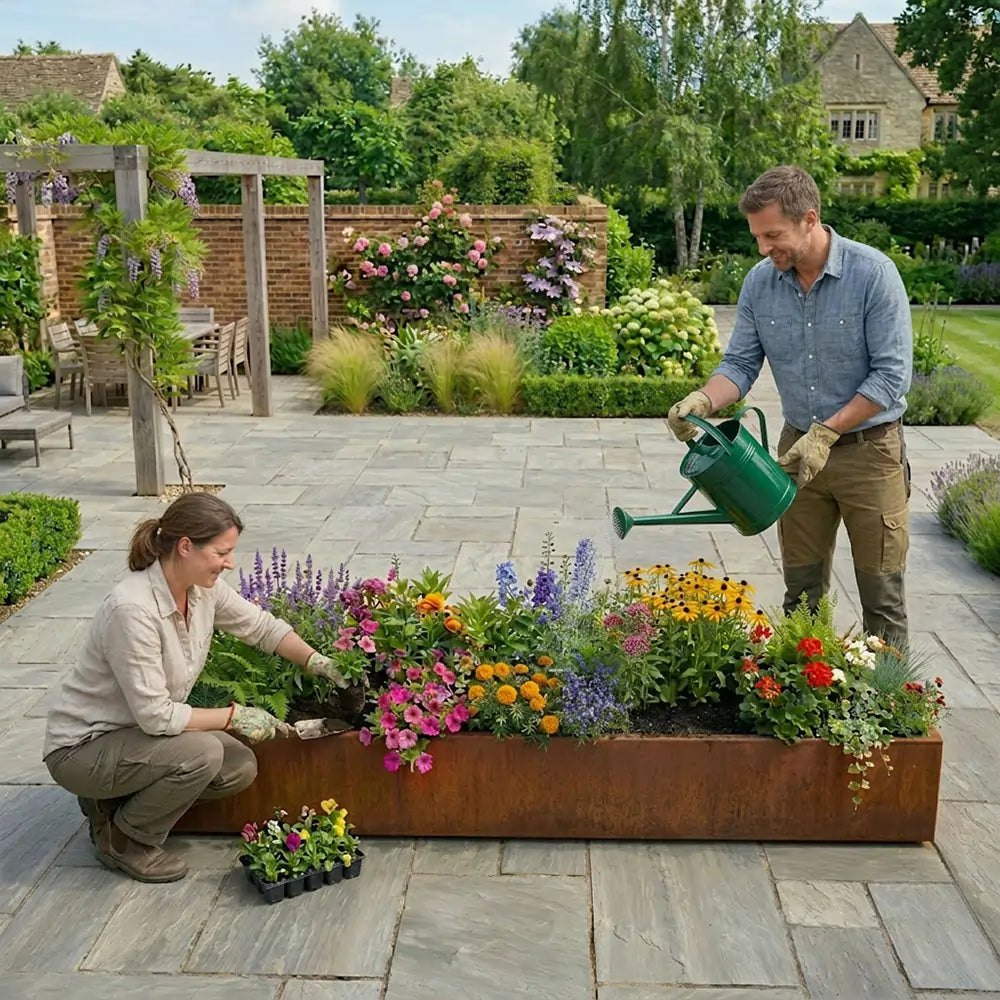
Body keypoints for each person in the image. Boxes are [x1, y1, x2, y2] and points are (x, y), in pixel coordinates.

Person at [43, 491, 350, 884]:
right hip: (84, 748)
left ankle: (111, 803)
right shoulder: (132, 610)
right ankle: (124, 840)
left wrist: (317, 662)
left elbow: (260, 627)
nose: (230, 563)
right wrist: (234, 716)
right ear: (186, 547)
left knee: (237, 767)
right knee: (202, 754)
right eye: (222, 552)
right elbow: (157, 717)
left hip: (137, 736)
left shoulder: (202, 590)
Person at [667, 165, 912, 645]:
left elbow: (890, 377)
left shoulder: (873, 274)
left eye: (773, 235)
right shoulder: (761, 283)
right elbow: (740, 363)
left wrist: (828, 431)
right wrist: (703, 400)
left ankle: (889, 693)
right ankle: (807, 686)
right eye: (758, 237)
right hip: (796, 454)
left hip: (870, 455)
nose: (763, 248)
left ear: (809, 219)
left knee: (882, 598)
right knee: (801, 597)